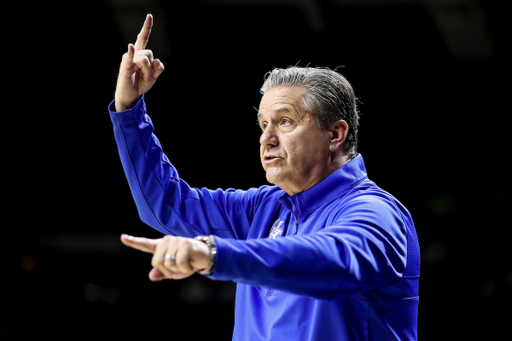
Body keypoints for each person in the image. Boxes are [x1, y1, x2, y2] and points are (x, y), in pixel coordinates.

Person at [109, 14, 420, 341]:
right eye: (263, 125)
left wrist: (217, 254)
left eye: (285, 121)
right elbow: (167, 205)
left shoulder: (379, 213)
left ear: (335, 134)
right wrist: (129, 109)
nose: (266, 138)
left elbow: (332, 260)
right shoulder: (264, 208)